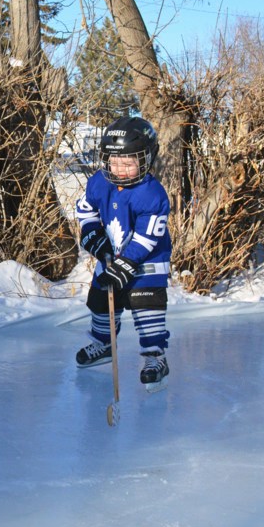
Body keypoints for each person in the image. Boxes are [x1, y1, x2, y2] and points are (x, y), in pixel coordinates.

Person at [74, 116, 171, 392]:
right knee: (101, 302)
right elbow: (85, 211)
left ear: (146, 159)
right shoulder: (99, 183)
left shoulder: (152, 193)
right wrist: (93, 236)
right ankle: (103, 345)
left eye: (128, 163)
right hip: (112, 256)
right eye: (114, 161)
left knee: (146, 305)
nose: (119, 169)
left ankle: (155, 359)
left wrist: (127, 263)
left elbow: (147, 236)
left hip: (147, 262)